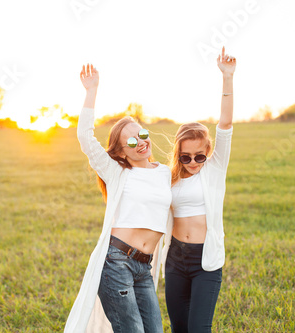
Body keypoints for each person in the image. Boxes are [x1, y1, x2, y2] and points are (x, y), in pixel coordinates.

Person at [64, 64, 172, 333]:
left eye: (142, 135)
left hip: (143, 268)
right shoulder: (118, 172)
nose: (141, 143)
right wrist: (92, 91)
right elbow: (86, 139)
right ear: (122, 153)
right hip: (116, 262)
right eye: (132, 142)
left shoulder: (165, 173)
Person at [162, 46, 236, 333]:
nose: (193, 162)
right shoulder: (168, 177)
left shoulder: (215, 169)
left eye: (199, 156)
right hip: (176, 258)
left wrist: (227, 78)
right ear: (178, 154)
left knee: (198, 329)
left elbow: (226, 124)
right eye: (185, 157)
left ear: (208, 151)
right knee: (179, 328)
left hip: (206, 259)